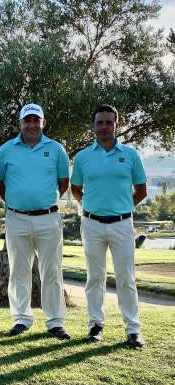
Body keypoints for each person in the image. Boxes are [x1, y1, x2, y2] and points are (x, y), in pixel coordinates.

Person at [70, 105, 147, 348]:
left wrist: (123, 207)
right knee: (95, 277)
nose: (104, 126)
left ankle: (133, 329)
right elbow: (75, 188)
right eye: (100, 122)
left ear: (116, 125)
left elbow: (141, 191)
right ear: (93, 126)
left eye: (108, 122)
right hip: (91, 224)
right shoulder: (83, 157)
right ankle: (95, 325)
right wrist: (89, 206)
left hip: (122, 224)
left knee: (126, 278)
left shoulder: (131, 155)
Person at [0, 103, 70, 340]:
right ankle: (21, 319)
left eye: (35, 120)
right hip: (17, 217)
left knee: (52, 271)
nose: (31, 125)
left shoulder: (56, 149)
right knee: (19, 270)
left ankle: (55, 322)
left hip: (48, 217)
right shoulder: (6, 150)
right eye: (27, 120)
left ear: (43, 123)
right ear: (20, 123)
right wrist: (15, 202)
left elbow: (63, 182)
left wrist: (45, 200)